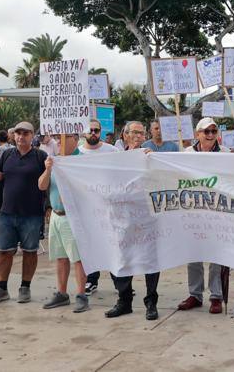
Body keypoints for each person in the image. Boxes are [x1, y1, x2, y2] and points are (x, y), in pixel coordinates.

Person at [0, 122, 49, 306]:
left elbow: (47, 183)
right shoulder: (6, 154)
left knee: (30, 252)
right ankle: (1, 288)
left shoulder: (41, 156)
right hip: (7, 213)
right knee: (4, 251)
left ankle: (25, 287)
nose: (21, 136)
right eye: (18, 133)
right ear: (13, 136)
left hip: (32, 214)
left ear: (32, 135)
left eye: (25, 133)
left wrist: (48, 209)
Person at [107, 120, 164, 320]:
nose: (140, 136)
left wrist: (152, 163)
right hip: (123, 219)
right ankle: (124, 301)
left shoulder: (150, 156)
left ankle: (151, 302)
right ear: (125, 135)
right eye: (135, 133)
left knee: (150, 261)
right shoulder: (116, 159)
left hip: (146, 218)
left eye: (142, 133)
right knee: (122, 260)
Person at [36, 132, 91, 314]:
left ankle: (82, 294)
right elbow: (42, 186)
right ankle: (62, 292)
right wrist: (48, 169)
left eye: (64, 137)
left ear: (75, 139)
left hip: (73, 216)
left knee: (77, 258)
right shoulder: (54, 160)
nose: (59, 141)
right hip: (56, 215)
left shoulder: (82, 161)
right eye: (58, 138)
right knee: (60, 256)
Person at [179, 117, 227, 314]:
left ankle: (216, 296)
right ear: (197, 134)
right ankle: (195, 294)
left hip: (218, 209)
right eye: (206, 131)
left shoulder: (226, 154)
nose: (210, 135)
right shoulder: (186, 154)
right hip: (194, 210)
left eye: (213, 131)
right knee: (194, 253)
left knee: (217, 254)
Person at [77, 120, 118, 294]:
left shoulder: (112, 150)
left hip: (109, 207)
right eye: (90, 130)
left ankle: (121, 283)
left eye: (96, 130)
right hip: (86, 208)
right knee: (91, 245)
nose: (93, 133)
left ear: (101, 132)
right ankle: (91, 280)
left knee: (112, 245)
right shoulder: (76, 153)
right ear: (84, 132)